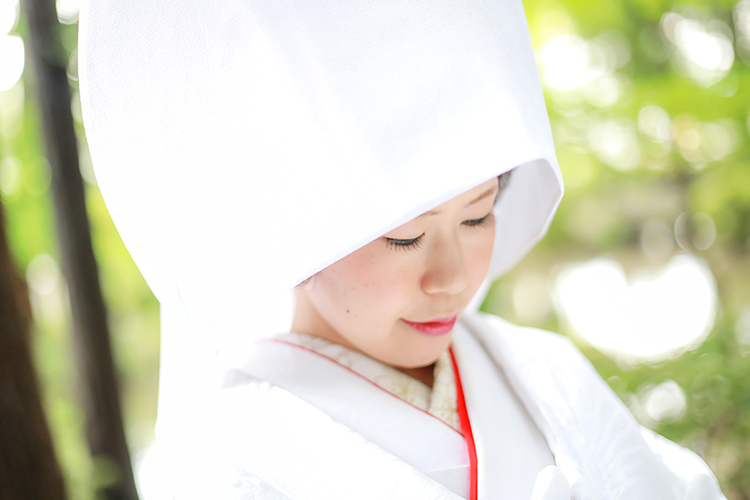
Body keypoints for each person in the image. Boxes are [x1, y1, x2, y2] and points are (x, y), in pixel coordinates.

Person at [78, 0, 726, 498]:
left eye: (478, 216)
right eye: (406, 236)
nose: (452, 278)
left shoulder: (542, 371)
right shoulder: (217, 466)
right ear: (288, 231)